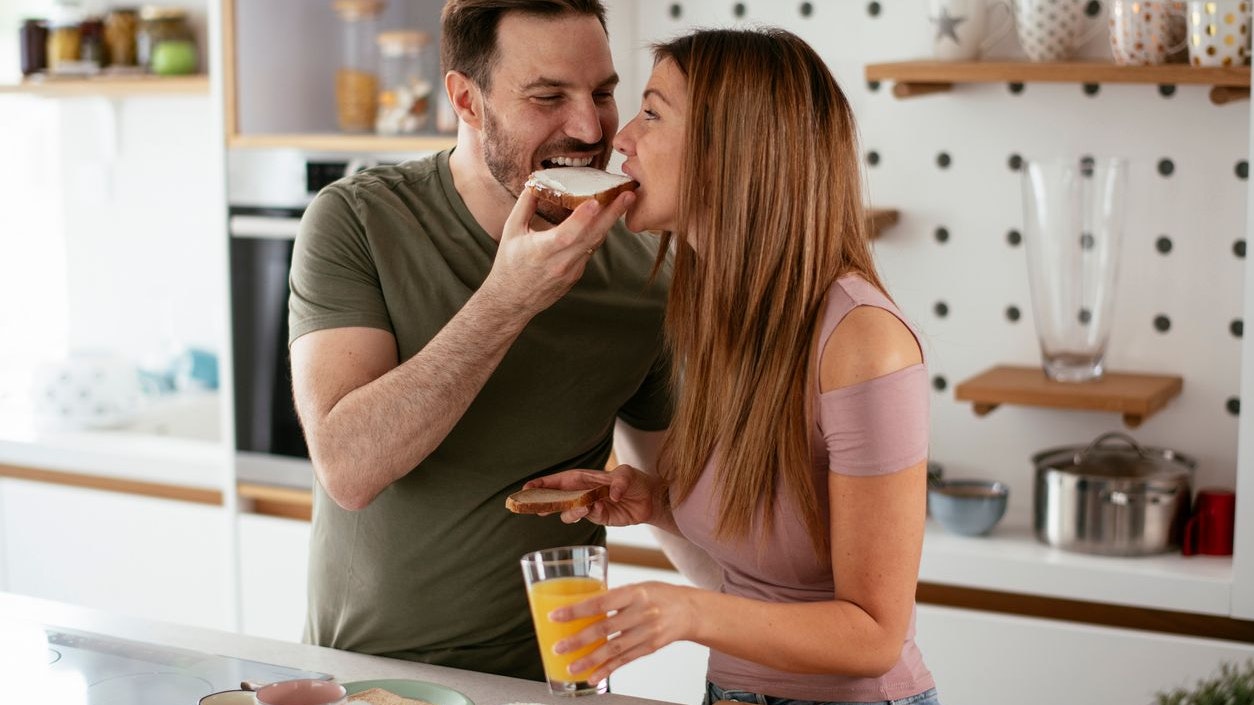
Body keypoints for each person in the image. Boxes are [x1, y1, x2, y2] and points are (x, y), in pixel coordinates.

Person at [286, 0, 707, 680]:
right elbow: (348, 468)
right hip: (370, 681)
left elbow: (676, 499)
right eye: (548, 97)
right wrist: (507, 299)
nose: (590, 128)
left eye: (603, 93)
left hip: (557, 684)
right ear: (467, 100)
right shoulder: (357, 220)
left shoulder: (646, 269)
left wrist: (785, 648)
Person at [524, 27, 941, 704]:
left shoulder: (863, 342)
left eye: (652, 113)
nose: (621, 138)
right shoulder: (722, 313)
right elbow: (780, 547)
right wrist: (659, 502)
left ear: (734, 150)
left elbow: (874, 636)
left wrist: (689, 611)